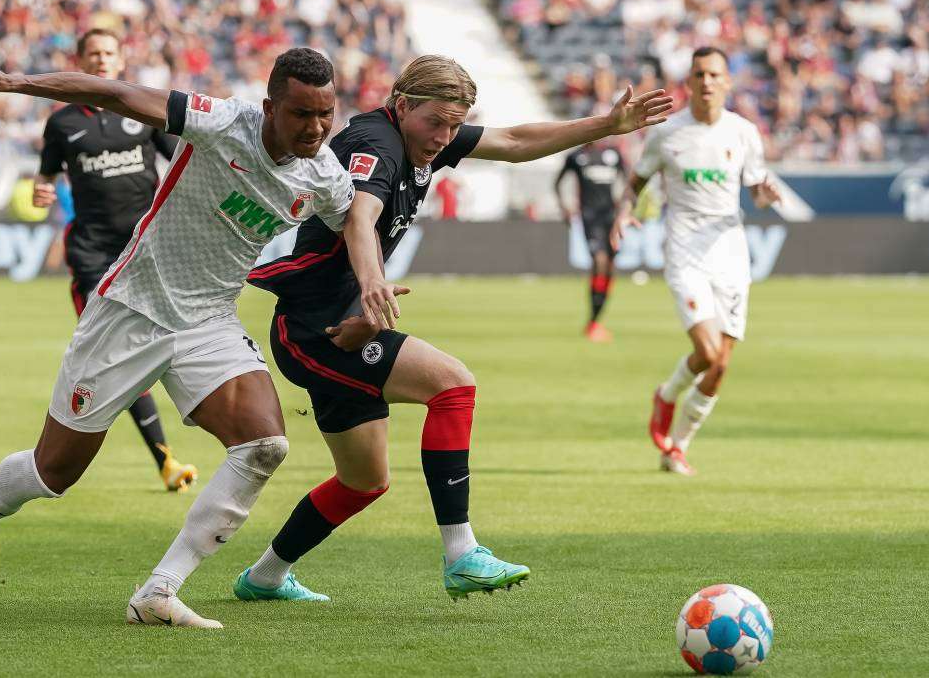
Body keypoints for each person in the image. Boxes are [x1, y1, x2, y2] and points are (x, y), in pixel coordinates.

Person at [0, 48, 360, 628]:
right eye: (301, 114)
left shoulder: (324, 174)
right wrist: (16, 82)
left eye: (326, 115)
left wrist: (372, 285)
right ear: (269, 108)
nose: (316, 128)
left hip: (207, 319)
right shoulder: (222, 121)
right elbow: (115, 92)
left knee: (264, 444)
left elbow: (359, 221)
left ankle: (159, 591)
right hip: (130, 310)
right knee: (52, 473)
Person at [239, 55, 673, 601]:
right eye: (436, 123)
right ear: (402, 106)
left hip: (346, 322)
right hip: (315, 329)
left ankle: (264, 577)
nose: (444, 137)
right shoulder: (378, 144)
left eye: (454, 124)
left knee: (363, 482)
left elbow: (514, 142)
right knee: (454, 385)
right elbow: (360, 218)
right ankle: (462, 553)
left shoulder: (422, 136)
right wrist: (372, 286)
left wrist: (607, 125)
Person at [33, 29, 196, 493]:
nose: (102, 60)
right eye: (93, 54)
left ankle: (182, 451)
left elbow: (183, 159)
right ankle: (165, 460)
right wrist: (41, 190)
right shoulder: (62, 124)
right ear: (81, 61)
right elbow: (43, 179)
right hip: (90, 253)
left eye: (109, 53)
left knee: (166, 341)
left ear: (120, 60)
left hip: (143, 250)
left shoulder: (144, 112)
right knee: (113, 352)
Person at [612, 47, 782, 476]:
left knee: (720, 364)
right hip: (685, 252)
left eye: (714, 74)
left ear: (727, 82)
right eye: (699, 74)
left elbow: (757, 189)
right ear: (688, 82)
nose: (706, 81)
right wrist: (624, 210)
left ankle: (678, 447)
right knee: (705, 351)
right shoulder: (667, 133)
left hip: (730, 253)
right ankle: (667, 396)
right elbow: (636, 182)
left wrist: (766, 195)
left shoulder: (743, 133)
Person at [554, 140, 632, 342]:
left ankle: (596, 321)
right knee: (600, 261)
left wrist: (625, 208)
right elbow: (557, 183)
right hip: (589, 217)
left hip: (610, 218)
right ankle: (593, 323)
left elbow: (629, 182)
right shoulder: (576, 156)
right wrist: (565, 207)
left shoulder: (613, 154)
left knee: (609, 268)